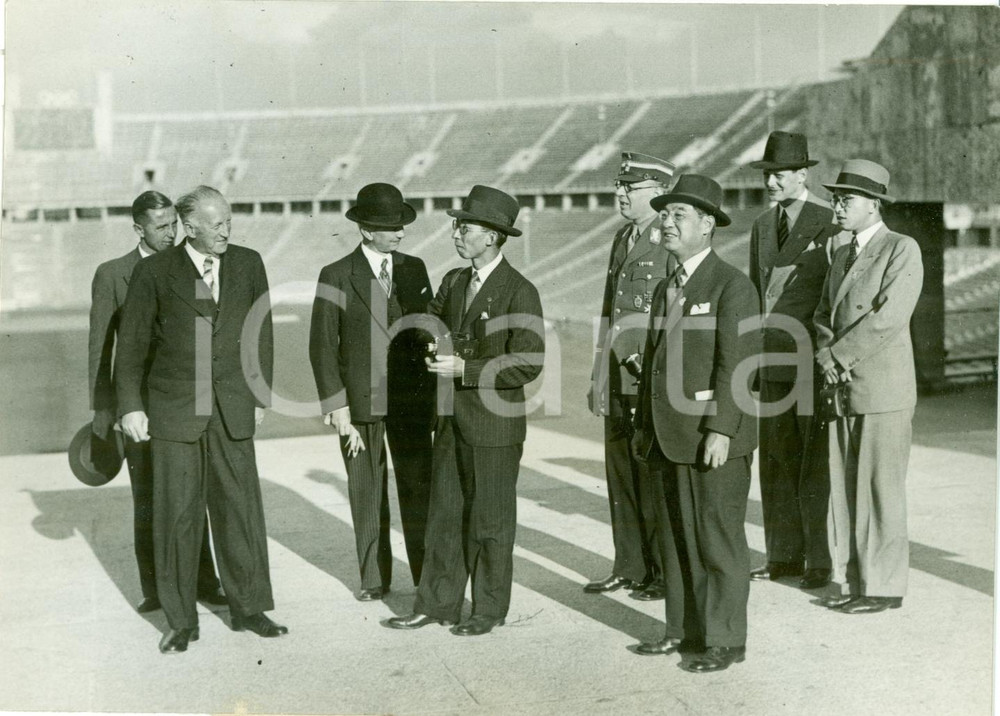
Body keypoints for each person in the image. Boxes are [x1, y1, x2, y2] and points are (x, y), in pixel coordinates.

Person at [115, 185, 287, 653]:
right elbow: (130, 346)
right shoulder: (154, 272)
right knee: (177, 518)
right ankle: (180, 620)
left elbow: (260, 331)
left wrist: (258, 394)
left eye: (229, 221)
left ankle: (250, 607)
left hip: (232, 407)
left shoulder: (249, 263)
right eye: (217, 225)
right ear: (190, 228)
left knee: (240, 510)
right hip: (174, 411)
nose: (226, 231)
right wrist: (131, 405)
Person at [386, 185, 545, 637]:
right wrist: (431, 339)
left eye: (466, 227)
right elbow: (431, 321)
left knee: (490, 522)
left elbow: (529, 361)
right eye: (458, 225)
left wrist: (466, 366)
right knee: (444, 518)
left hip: (494, 427)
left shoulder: (519, 290)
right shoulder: (455, 281)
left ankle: (488, 610)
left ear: (493, 236)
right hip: (451, 418)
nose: (457, 233)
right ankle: (436, 604)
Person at [631, 175, 760, 673]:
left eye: (678, 215)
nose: (666, 222)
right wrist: (645, 426)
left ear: (707, 225)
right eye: (664, 214)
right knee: (676, 539)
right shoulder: (668, 285)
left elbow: (738, 365)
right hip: (669, 435)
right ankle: (684, 631)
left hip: (711, 438)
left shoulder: (733, 286)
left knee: (717, 538)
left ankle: (726, 640)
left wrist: (722, 430)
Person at [88, 190, 225, 613]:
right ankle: (155, 588)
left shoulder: (191, 267)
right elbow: (100, 348)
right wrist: (106, 413)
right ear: (138, 229)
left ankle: (204, 580)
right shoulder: (113, 274)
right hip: (139, 407)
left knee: (193, 492)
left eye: (173, 224)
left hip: (185, 400)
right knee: (148, 496)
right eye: (160, 227)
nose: (171, 233)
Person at [309, 182, 435, 600]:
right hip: (359, 408)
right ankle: (373, 579)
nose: (400, 232)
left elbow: (429, 331)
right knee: (366, 494)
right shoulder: (336, 274)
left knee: (418, 491)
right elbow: (322, 345)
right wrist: (336, 405)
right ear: (365, 229)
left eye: (401, 224)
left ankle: (426, 577)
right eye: (390, 225)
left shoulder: (415, 268)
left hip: (411, 404)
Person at [813, 159, 923, 614]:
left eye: (847, 199)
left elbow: (889, 318)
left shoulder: (901, 248)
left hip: (882, 391)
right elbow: (822, 314)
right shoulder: (841, 254)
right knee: (845, 487)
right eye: (836, 198)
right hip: (843, 388)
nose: (837, 207)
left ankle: (882, 588)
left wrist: (837, 356)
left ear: (874, 205)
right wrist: (826, 355)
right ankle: (857, 579)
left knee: (880, 489)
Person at [747, 132, 839, 590]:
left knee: (812, 464)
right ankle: (783, 556)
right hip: (767, 361)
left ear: (802, 175)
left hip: (807, 359)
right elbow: (753, 296)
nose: (771, 183)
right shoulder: (762, 225)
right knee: (776, 462)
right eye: (768, 176)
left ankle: (819, 562)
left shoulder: (829, 221)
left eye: (779, 176)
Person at [585, 152, 674, 601]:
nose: (620, 194)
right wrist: (599, 373)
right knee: (619, 473)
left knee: (651, 476)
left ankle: (659, 570)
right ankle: (629, 563)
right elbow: (608, 311)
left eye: (630, 187)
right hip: (618, 378)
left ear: (658, 191)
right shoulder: (623, 238)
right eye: (619, 186)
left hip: (648, 379)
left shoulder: (668, 240)